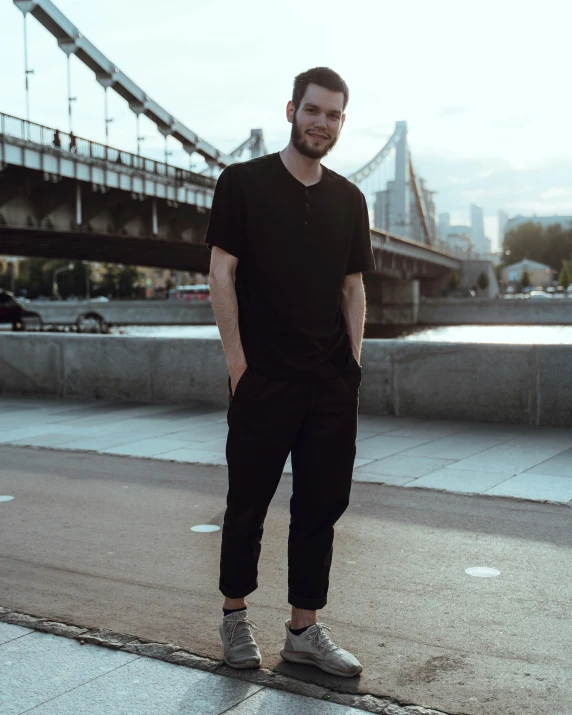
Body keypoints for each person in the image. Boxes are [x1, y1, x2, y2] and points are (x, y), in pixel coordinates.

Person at [205, 67, 375, 678]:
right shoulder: (242, 183)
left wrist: (351, 366)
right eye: (312, 110)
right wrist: (238, 365)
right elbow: (221, 273)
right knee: (247, 503)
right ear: (290, 110)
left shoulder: (351, 199)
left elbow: (352, 288)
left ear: (341, 123)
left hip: (329, 383)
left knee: (320, 507)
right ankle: (234, 617)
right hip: (264, 379)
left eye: (332, 115)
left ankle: (304, 629)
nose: (320, 123)